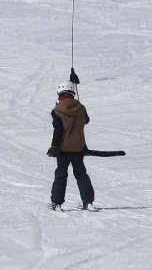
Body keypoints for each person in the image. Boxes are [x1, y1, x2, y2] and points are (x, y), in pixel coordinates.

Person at [47, 81, 96, 211]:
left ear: (60, 93)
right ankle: (88, 202)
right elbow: (86, 120)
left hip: (63, 149)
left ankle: (57, 203)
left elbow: (58, 131)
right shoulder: (81, 108)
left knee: (61, 174)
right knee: (81, 174)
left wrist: (54, 146)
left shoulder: (57, 110)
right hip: (78, 148)